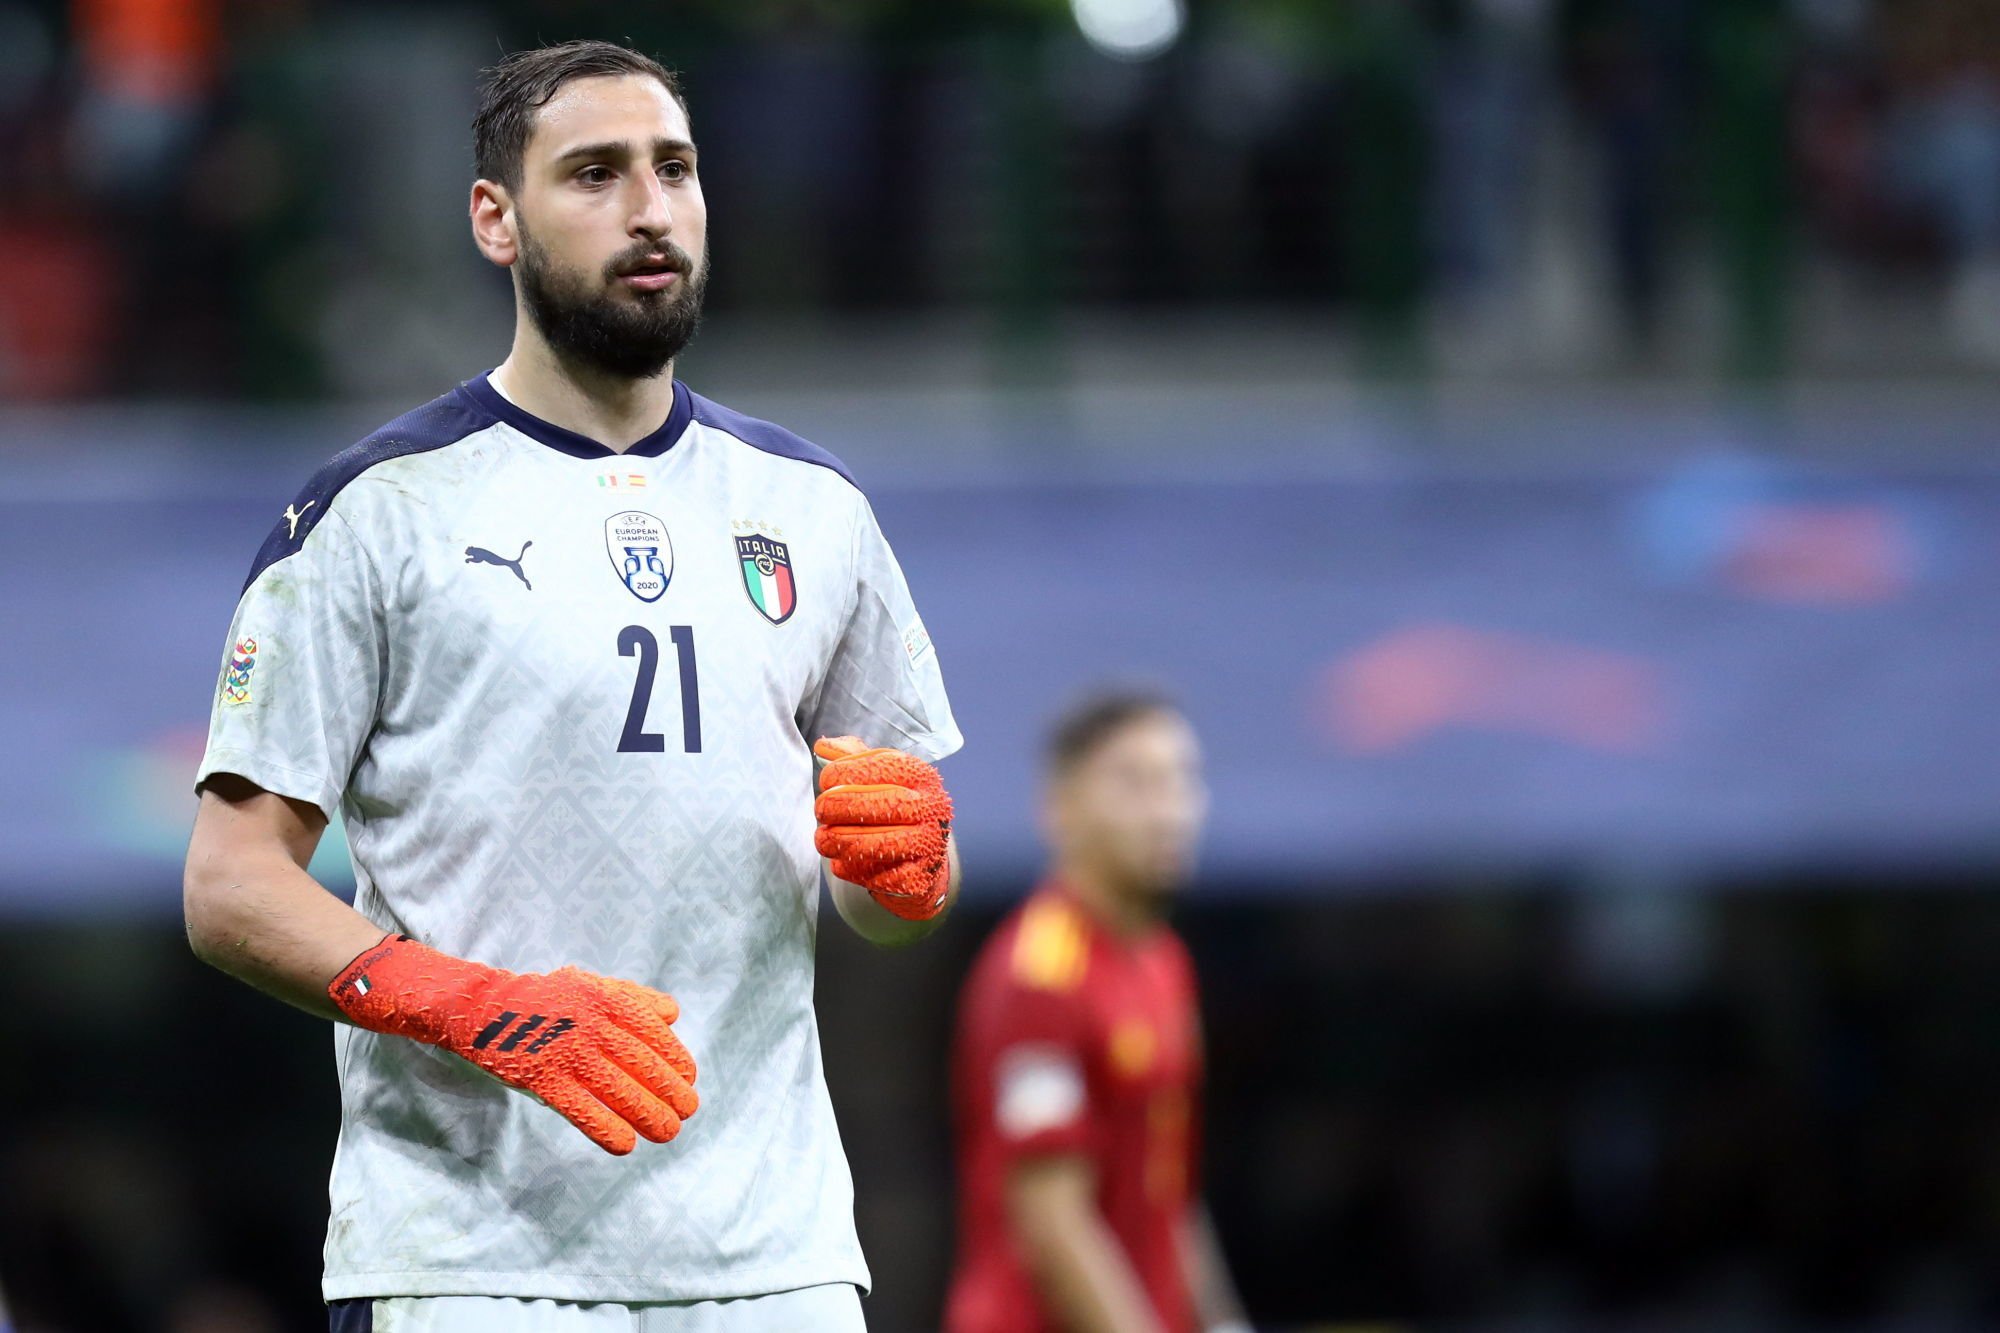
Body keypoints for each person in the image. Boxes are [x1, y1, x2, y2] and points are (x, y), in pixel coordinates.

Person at [182, 39, 962, 1332]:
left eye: (674, 170)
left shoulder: (815, 510)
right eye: (594, 174)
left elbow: (879, 898)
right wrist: (478, 1007)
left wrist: (906, 880)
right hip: (469, 1260)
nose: (649, 210)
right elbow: (229, 885)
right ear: (496, 219)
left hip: (776, 1260)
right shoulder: (374, 514)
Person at [945, 693, 1247, 1333]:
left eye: (1180, 780)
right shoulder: (1039, 977)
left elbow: (1170, 1187)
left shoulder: (1165, 961)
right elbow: (1054, 1222)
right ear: (1061, 809)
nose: (1169, 811)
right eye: (1135, 784)